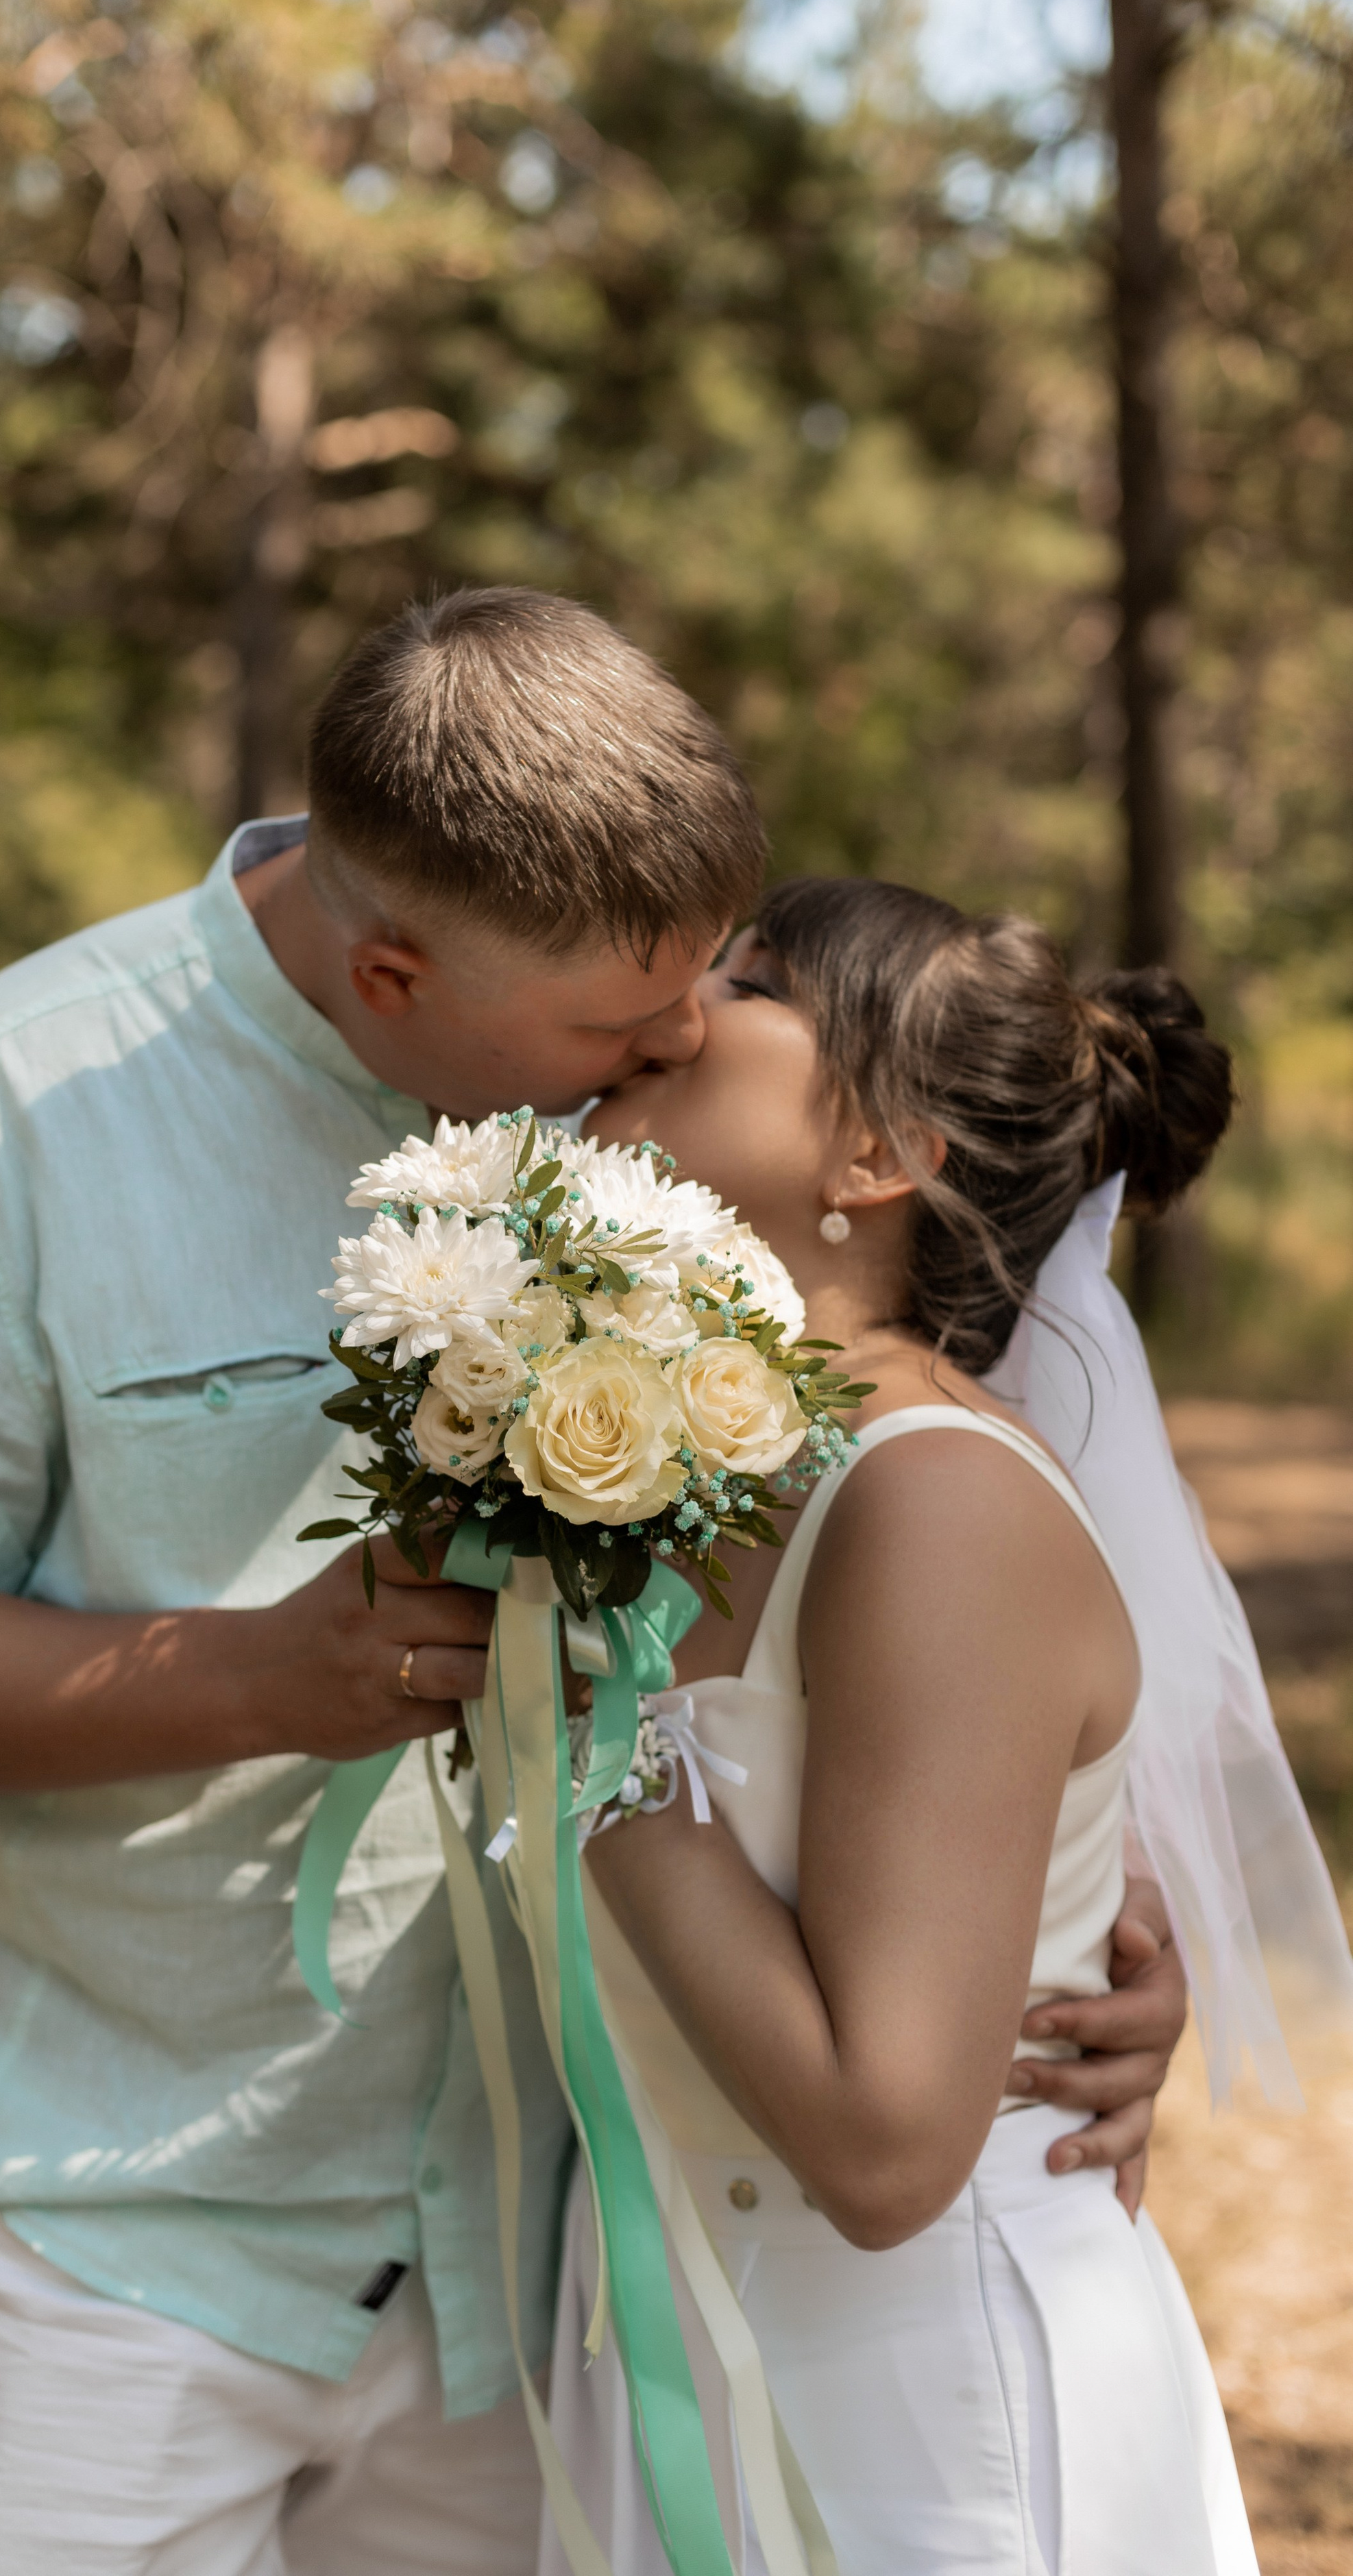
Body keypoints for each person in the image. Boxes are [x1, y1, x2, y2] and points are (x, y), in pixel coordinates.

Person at [0, 593, 1182, 2576]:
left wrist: (1071, 1932)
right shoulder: (19, 1105)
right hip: (135, 2221)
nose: (679, 1038)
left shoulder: (663, 1115)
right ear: (394, 971)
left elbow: (907, 1572)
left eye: (709, 980)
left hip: (571, 2249)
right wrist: (266, 1680)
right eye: (624, 1025)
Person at [546, 876, 1269, 2575]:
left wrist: (579, 1735)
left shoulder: (931, 1501)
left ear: (875, 1154)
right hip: (670, 2342)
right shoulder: (676, 1462)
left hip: (922, 2419)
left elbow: (885, 2150)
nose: (676, 1013)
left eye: (749, 986)